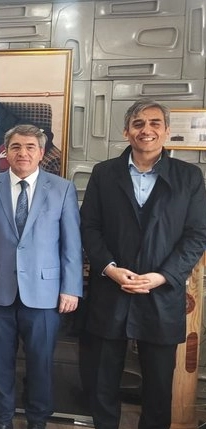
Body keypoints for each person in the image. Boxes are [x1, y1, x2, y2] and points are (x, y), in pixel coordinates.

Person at [80, 98, 206, 429]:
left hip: (161, 294)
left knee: (158, 388)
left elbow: (197, 234)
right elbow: (89, 227)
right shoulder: (104, 173)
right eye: (138, 124)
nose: (145, 130)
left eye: (154, 123)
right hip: (111, 290)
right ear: (126, 131)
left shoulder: (189, 177)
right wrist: (109, 268)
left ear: (166, 131)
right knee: (102, 382)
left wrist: (163, 276)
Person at [0, 124, 83, 429]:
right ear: (6, 152)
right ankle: (2, 419)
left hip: (45, 293)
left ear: (41, 153)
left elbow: (72, 245)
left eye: (30, 147)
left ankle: (37, 420)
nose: (23, 153)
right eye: (16, 146)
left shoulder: (62, 188)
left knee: (40, 364)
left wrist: (71, 288)